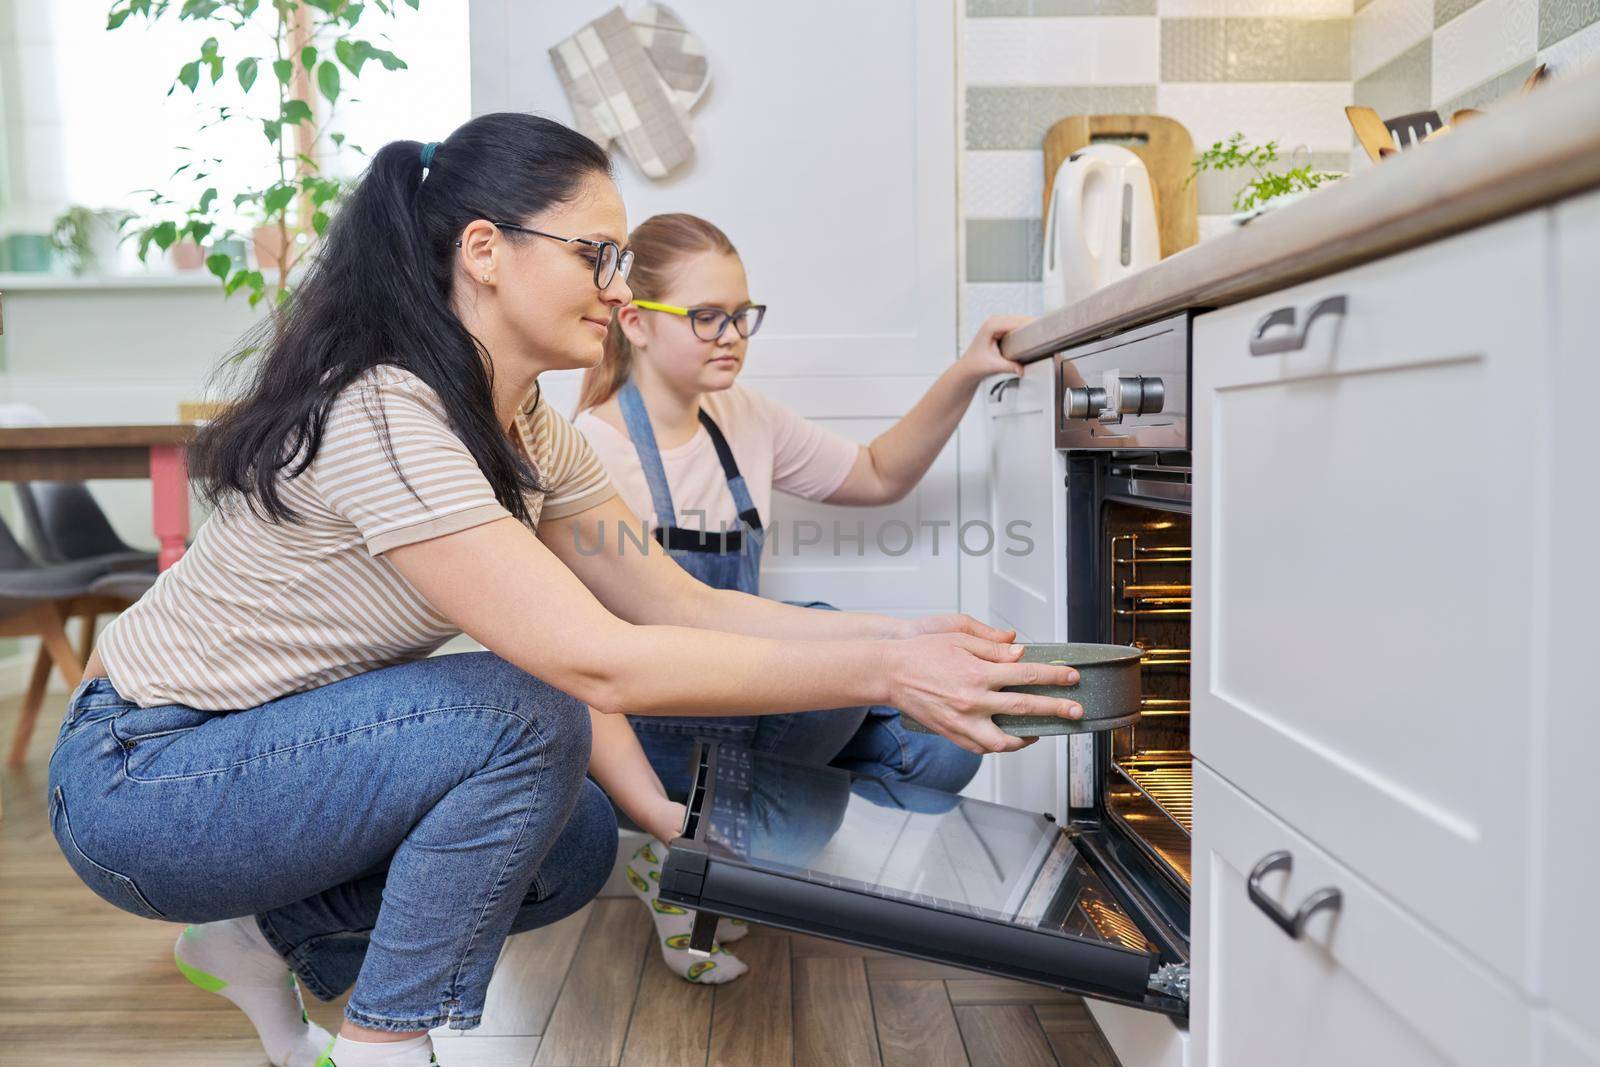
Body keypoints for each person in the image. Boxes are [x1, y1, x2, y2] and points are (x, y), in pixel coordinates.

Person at [44, 114, 1084, 1067]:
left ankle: (259, 931)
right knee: (528, 709)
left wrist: (914, 635)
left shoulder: (532, 432)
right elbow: (591, 657)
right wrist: (887, 664)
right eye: (596, 255)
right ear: (486, 251)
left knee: (576, 838)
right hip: (145, 777)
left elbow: (676, 601)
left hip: (268, 763)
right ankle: (380, 1044)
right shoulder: (387, 410)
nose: (620, 289)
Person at [571, 212, 1036, 983]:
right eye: (706, 317)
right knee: (827, 659)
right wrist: (882, 644)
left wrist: (965, 371)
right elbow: (611, 650)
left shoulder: (743, 416)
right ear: (635, 323)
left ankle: (723, 854)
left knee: (944, 740)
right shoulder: (594, 450)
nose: (732, 336)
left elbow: (880, 473)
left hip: (745, 698)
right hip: (656, 720)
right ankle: (689, 851)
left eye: (742, 315)